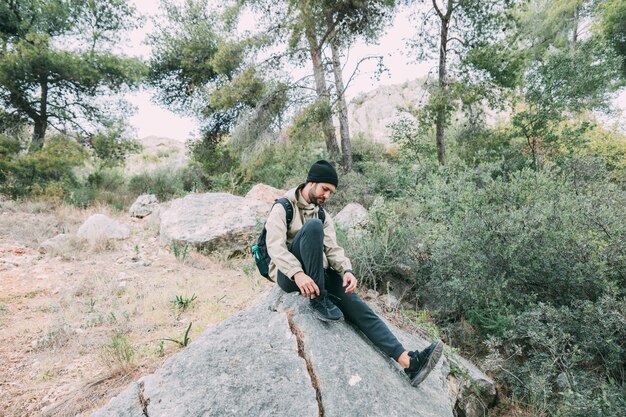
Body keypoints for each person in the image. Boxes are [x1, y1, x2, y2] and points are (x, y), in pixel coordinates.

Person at [265, 160, 443, 387]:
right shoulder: (283, 207)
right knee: (312, 228)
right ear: (311, 183)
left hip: (317, 274)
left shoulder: (321, 214)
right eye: (325, 189)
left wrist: (346, 270)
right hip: (289, 277)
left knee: (357, 304)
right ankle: (319, 301)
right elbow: (275, 247)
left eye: (331, 192)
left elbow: (333, 249)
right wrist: (298, 274)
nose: (327, 196)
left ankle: (409, 362)